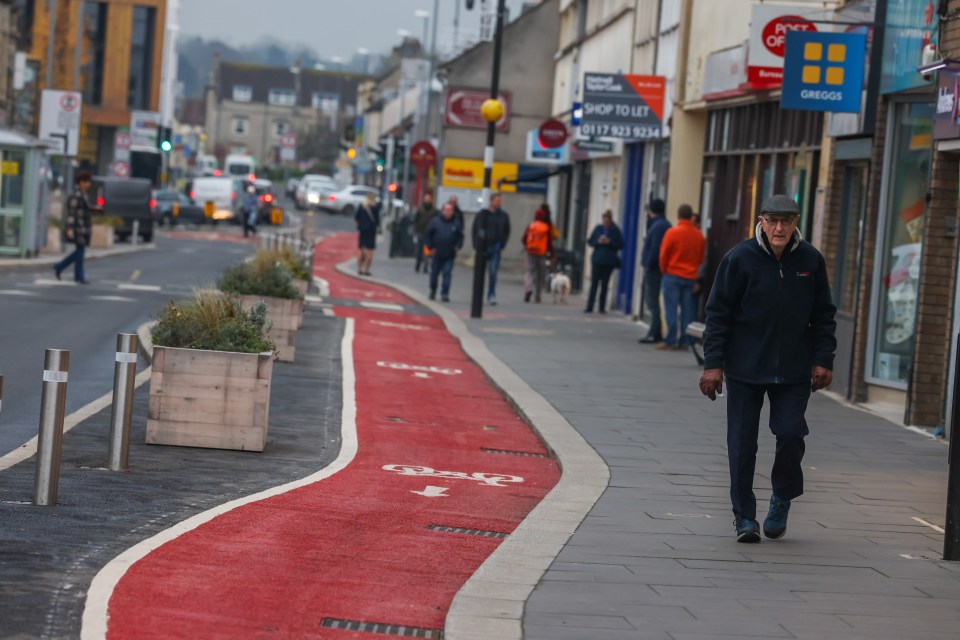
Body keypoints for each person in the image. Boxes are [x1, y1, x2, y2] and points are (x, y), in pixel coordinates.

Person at [699, 194, 837, 544]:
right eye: (772, 220)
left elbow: (824, 315)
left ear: (796, 223)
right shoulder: (739, 258)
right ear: (760, 220)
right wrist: (713, 365)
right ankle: (744, 517)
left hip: (793, 369)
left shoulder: (810, 260)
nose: (779, 228)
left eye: (786, 221)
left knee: (791, 434)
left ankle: (782, 497)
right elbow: (717, 315)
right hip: (745, 367)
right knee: (742, 445)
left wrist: (824, 359)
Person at [658, 204, 705, 350]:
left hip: (672, 275)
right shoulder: (699, 236)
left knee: (671, 308)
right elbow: (700, 258)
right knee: (687, 310)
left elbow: (663, 255)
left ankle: (670, 339)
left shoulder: (672, 232)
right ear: (691, 216)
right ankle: (685, 341)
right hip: (690, 277)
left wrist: (665, 270)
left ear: (678, 216)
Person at [54, 171, 99, 284]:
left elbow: (84, 209)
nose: (88, 184)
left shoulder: (84, 194)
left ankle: (60, 266)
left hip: (84, 227)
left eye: (89, 182)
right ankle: (78, 276)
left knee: (80, 252)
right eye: (86, 182)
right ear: (81, 182)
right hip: (77, 228)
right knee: (80, 252)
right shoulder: (75, 195)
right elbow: (71, 213)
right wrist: (69, 228)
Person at [638, 199, 670, 344]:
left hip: (654, 269)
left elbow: (655, 249)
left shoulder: (657, 226)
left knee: (651, 300)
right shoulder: (664, 224)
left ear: (651, 210)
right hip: (660, 268)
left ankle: (654, 331)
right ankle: (655, 330)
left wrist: (648, 263)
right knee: (653, 300)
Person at [471, 192, 511, 305]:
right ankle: (477, 294)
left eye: (500, 200)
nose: (499, 203)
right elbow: (475, 229)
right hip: (483, 247)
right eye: (497, 200)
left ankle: (491, 295)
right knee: (479, 272)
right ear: (491, 201)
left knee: (493, 272)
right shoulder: (482, 214)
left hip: (495, 248)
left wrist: (502, 244)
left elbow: (507, 231)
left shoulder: (503, 216)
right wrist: (476, 244)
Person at [584, 210, 623, 314]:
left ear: (610, 220)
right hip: (597, 260)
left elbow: (620, 244)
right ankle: (590, 306)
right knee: (594, 284)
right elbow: (590, 241)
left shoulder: (615, 230)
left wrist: (609, 242)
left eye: (607, 221)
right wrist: (598, 241)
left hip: (609, 261)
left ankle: (602, 307)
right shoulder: (598, 228)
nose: (605, 223)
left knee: (605, 285)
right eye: (604, 221)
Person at [425, 202, 464, 302]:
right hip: (437, 252)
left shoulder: (456, 223)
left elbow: (460, 236)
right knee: (434, 273)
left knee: (447, 273)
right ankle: (433, 290)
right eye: (446, 210)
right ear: (442, 211)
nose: (448, 212)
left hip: (450, 253)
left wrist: (457, 246)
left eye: (450, 210)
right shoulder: (435, 222)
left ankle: (445, 293)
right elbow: (428, 234)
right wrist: (431, 247)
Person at [522, 206, 555, 303]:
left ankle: (528, 289)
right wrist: (552, 254)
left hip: (531, 252)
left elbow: (523, 239)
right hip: (541, 253)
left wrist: (527, 246)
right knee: (541, 274)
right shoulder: (546, 227)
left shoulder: (531, 226)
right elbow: (550, 243)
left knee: (530, 272)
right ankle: (538, 295)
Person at [355, 192, 381, 276]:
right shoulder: (376, 208)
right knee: (370, 250)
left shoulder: (362, 206)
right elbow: (377, 221)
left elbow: (356, 218)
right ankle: (366, 270)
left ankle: (359, 269)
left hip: (363, 230)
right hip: (371, 230)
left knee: (361, 248)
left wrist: (359, 225)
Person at [414, 192, 437, 273]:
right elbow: (416, 220)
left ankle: (425, 266)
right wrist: (416, 229)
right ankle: (418, 264)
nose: (427, 200)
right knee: (419, 250)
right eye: (426, 199)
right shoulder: (420, 209)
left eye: (428, 199)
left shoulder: (434, 211)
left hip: (429, 233)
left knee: (427, 250)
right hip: (421, 231)